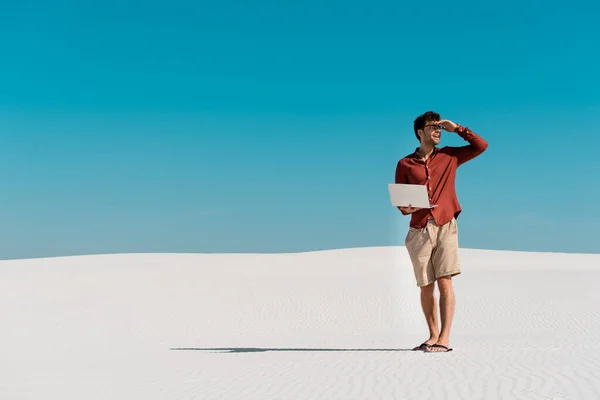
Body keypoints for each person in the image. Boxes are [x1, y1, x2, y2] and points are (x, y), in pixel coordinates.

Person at [394, 111, 488, 353]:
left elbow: (481, 146)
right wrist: (408, 207)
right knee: (426, 285)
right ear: (420, 133)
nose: (437, 130)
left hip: (446, 224)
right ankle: (432, 335)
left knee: (445, 281)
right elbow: (401, 203)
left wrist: (456, 128)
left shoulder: (450, 156)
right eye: (432, 127)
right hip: (419, 229)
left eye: (439, 127)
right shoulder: (404, 163)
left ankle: (445, 338)